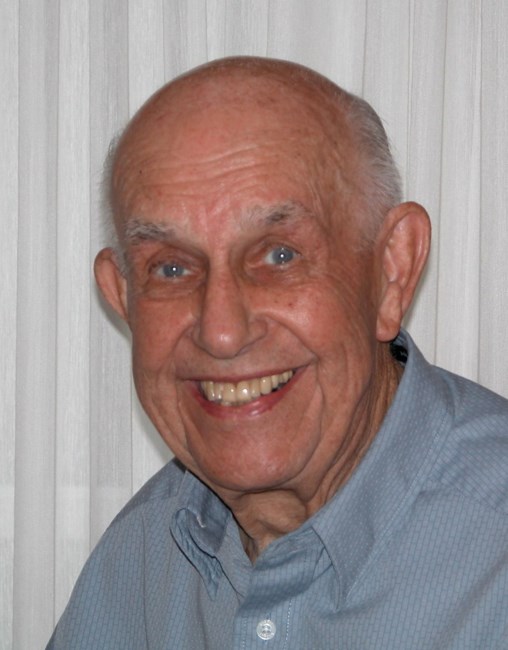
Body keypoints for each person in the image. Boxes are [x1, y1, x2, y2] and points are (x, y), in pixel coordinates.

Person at [47, 57, 508, 649]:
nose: (221, 333)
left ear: (392, 271)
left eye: (279, 255)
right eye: (171, 268)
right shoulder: (141, 559)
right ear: (122, 297)